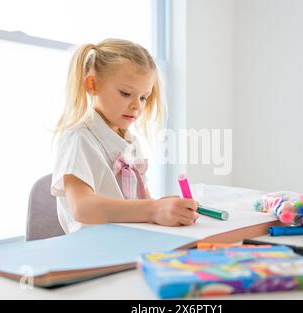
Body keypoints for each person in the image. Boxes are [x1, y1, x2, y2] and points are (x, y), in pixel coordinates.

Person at [51, 39, 198, 233]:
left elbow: (140, 206)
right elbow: (82, 208)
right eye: (126, 93)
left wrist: (165, 208)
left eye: (143, 97)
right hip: (93, 250)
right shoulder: (78, 138)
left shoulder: (131, 143)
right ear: (92, 84)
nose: (137, 106)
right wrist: (153, 209)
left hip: (129, 242)